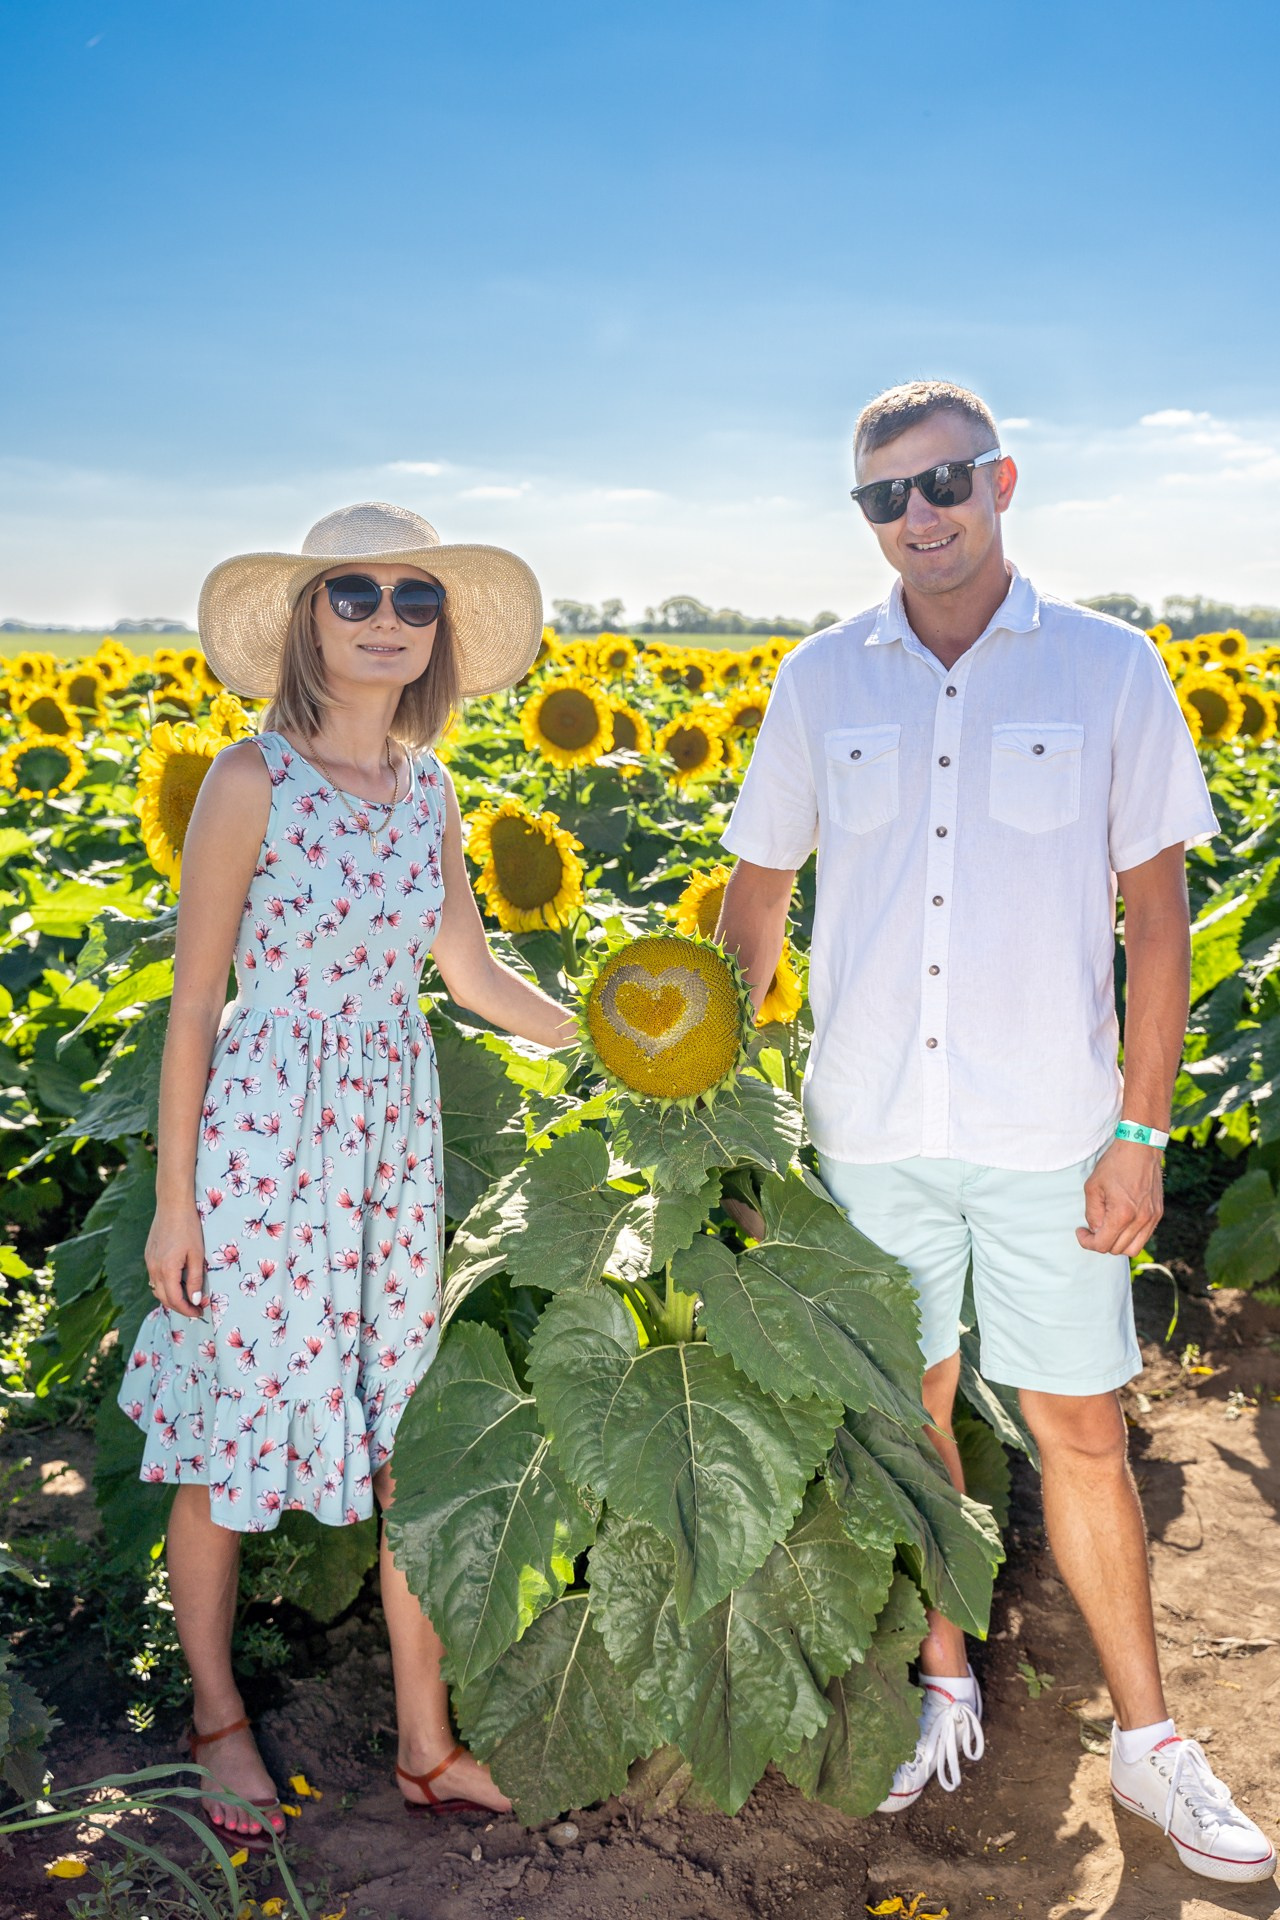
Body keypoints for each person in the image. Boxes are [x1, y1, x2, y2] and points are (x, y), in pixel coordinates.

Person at [716, 383, 1277, 1886]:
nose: (919, 515)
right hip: (870, 1125)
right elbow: (756, 901)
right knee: (912, 1423)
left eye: (943, 480)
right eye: (884, 497)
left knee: (1078, 1426)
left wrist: (1143, 1129)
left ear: (1002, 480)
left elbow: (1156, 925)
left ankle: (1152, 1749)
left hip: (1049, 1129)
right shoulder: (822, 681)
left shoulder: (1108, 668)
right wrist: (717, 1099)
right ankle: (944, 1685)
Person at [120, 502, 577, 1846]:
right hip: (266, 1140)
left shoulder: (431, 790)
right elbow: (195, 1002)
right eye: (356, 592)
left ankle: (427, 1750)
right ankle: (215, 1722)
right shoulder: (249, 779)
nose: (386, 617)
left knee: (403, 1446)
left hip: (389, 1142)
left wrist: (617, 1035)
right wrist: (173, 1197)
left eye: (415, 599)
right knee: (226, 1427)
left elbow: (472, 972)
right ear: (309, 617)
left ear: (438, 633)